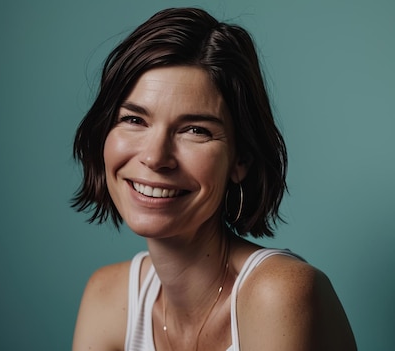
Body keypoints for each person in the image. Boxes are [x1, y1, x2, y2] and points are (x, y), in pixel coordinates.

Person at [71, 7, 356, 351]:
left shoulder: (278, 295)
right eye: (134, 120)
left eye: (195, 130)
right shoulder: (106, 297)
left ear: (241, 160)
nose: (155, 157)